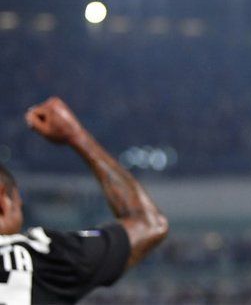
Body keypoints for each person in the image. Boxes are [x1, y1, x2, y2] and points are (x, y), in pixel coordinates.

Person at [0, 97, 168, 303]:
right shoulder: (35, 256)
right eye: (19, 206)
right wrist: (76, 135)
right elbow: (150, 224)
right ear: (3, 201)